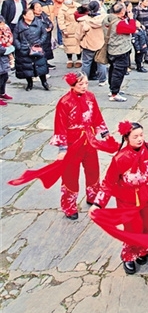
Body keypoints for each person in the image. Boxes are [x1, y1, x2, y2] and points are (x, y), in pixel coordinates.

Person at [92, 121, 148, 274]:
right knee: (132, 228)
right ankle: (129, 256)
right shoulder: (120, 158)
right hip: (127, 200)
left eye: (141, 135)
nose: (140, 139)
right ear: (126, 138)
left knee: (146, 224)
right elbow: (108, 183)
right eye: (135, 136)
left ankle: (143, 250)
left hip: (147, 196)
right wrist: (98, 204)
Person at [51, 72, 110, 219]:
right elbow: (60, 126)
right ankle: (69, 205)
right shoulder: (64, 102)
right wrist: (62, 148)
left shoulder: (90, 97)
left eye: (86, 83)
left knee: (93, 169)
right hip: (73, 143)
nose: (84, 87)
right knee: (70, 174)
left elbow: (96, 115)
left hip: (89, 140)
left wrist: (104, 133)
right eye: (80, 84)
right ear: (72, 85)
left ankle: (93, 196)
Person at [104, 2, 137, 102]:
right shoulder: (119, 23)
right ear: (122, 12)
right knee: (118, 72)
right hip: (120, 50)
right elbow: (132, 29)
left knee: (112, 70)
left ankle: (112, 89)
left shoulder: (108, 18)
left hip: (111, 48)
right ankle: (115, 93)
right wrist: (131, 18)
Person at [14, 6, 50, 91]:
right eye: (29, 14)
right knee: (27, 67)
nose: (31, 16)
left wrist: (40, 42)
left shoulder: (39, 23)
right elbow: (15, 38)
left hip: (37, 48)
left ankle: (44, 82)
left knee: (41, 66)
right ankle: (29, 83)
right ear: (24, 16)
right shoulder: (19, 26)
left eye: (32, 14)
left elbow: (44, 34)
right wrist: (19, 46)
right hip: (24, 49)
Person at [77, 0, 107, 83]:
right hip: (101, 43)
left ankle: (84, 80)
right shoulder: (104, 20)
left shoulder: (83, 21)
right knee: (101, 62)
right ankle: (102, 80)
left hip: (88, 44)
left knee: (86, 63)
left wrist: (80, 41)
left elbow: (79, 34)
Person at [57, 0, 82, 68]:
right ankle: (69, 59)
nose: (67, 0)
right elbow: (60, 20)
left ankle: (78, 59)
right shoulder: (62, 9)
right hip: (68, 29)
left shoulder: (78, 6)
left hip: (78, 27)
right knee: (68, 45)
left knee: (78, 44)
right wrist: (63, 29)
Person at [0, 17, 14, 105]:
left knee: (4, 76)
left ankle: (2, 93)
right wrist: (7, 50)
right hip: (2, 54)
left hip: (3, 58)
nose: (3, 26)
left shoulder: (4, 31)